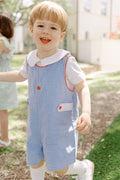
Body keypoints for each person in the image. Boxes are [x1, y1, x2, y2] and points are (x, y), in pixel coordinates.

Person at [0, 1, 94, 179]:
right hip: (36, 122)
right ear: (32, 30)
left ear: (61, 35)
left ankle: (84, 167)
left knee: (60, 168)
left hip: (59, 125)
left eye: (53, 27)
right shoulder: (31, 58)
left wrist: (87, 112)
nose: (45, 31)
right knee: (35, 159)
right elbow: (20, 75)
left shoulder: (66, 61)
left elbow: (82, 86)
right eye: (41, 25)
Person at [0, 13, 18, 148]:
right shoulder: (7, 41)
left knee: (2, 111)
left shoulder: (0, 41)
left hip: (2, 79)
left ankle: (5, 139)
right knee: (2, 110)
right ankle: (3, 137)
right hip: (6, 77)